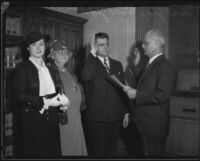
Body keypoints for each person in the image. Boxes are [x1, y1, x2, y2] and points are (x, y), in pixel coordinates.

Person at [12, 31, 69, 158]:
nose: (38, 48)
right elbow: (19, 96)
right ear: (28, 48)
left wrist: (63, 102)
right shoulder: (21, 68)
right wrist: (44, 102)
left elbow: (55, 92)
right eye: (34, 44)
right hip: (31, 121)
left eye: (41, 44)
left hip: (51, 121)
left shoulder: (50, 68)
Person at [123, 29, 175, 156]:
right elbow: (146, 82)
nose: (142, 46)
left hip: (154, 128)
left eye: (146, 43)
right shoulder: (153, 63)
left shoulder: (164, 66)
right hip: (145, 125)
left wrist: (137, 94)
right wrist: (136, 64)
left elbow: (163, 95)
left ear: (156, 44)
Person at [81, 32, 130, 156]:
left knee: (112, 150)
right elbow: (86, 76)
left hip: (115, 115)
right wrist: (92, 53)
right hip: (97, 118)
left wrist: (125, 111)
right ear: (94, 46)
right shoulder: (90, 63)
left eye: (107, 44)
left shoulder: (117, 64)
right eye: (101, 45)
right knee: (98, 151)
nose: (105, 47)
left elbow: (122, 89)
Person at [47, 40, 87, 156]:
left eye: (66, 52)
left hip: (76, 117)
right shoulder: (50, 72)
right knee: (67, 149)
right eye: (60, 52)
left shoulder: (69, 71)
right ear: (53, 56)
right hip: (63, 120)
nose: (64, 55)